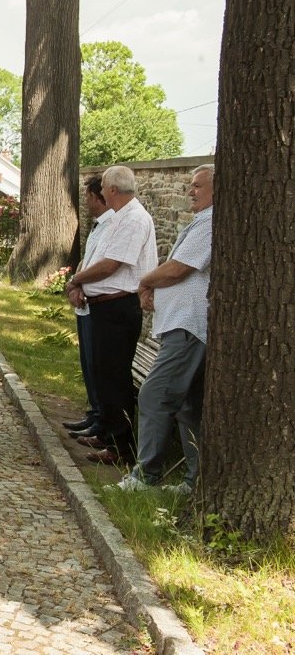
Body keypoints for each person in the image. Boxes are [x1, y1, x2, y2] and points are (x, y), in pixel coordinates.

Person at [116, 165, 214, 494]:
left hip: (188, 326)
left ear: (217, 189)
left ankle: (145, 477)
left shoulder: (211, 222)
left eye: (198, 186)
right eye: (190, 185)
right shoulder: (203, 221)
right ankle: (195, 481)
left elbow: (177, 270)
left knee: (155, 394)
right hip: (182, 325)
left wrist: (145, 282)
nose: (190, 191)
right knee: (189, 406)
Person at [65, 165, 157, 466]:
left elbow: (111, 264)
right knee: (104, 375)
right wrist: (82, 285)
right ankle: (106, 432)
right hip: (104, 305)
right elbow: (96, 259)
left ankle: (121, 446)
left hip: (119, 307)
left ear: (114, 190)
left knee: (115, 378)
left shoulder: (134, 219)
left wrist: (76, 280)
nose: (101, 191)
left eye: (103, 186)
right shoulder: (118, 218)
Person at [62, 176, 112, 440]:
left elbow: (105, 264)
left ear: (96, 196)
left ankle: (101, 418)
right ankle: (94, 412)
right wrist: (76, 285)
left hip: (99, 304)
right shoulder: (98, 225)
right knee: (88, 363)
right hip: (85, 301)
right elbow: (87, 261)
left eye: (88, 196)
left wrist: (78, 283)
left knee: (97, 364)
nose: (86, 201)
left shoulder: (113, 224)